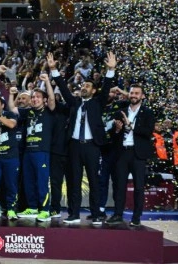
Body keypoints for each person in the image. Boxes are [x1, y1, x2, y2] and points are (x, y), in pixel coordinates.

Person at [50, 51, 117, 225]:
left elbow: (106, 88)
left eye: (87, 86)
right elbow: (63, 89)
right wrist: (54, 70)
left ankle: (96, 214)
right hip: (73, 146)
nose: (84, 87)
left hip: (92, 146)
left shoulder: (97, 103)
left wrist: (111, 70)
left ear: (93, 91)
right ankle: (74, 214)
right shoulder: (74, 102)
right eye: (83, 85)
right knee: (74, 181)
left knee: (94, 181)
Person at [11, 66, 56, 222]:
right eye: (33, 97)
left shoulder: (49, 111)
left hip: (42, 151)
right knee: (28, 180)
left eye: (38, 97)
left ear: (43, 100)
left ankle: (45, 210)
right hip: (28, 151)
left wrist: (47, 81)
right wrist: (14, 94)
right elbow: (12, 108)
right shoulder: (29, 112)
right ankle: (32, 208)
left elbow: (52, 100)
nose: (35, 99)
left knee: (41, 181)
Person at [106, 84, 155, 226]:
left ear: (142, 96)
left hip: (138, 154)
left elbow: (148, 132)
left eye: (137, 93)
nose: (133, 95)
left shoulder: (148, 113)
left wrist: (131, 125)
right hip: (122, 153)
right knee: (119, 186)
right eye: (132, 93)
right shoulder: (120, 112)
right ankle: (118, 214)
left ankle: (136, 217)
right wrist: (117, 130)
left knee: (139, 187)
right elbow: (112, 135)